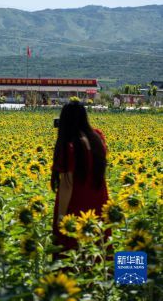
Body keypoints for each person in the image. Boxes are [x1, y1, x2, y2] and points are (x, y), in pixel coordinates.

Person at [50, 101, 109, 257]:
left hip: (77, 204)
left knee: (71, 250)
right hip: (99, 200)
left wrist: (61, 217)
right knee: (98, 247)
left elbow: (66, 186)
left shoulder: (70, 145)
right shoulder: (98, 137)